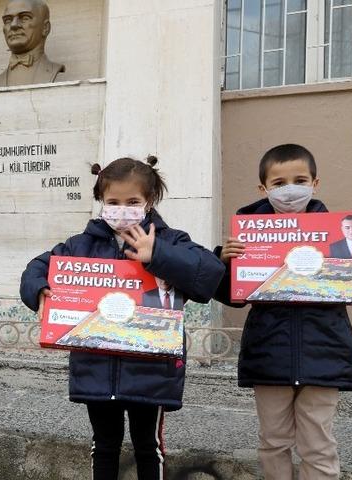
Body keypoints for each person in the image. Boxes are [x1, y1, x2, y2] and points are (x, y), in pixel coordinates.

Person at [20, 156, 225, 480]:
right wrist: (40, 289)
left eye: (132, 202)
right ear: (101, 201)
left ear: (149, 201)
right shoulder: (79, 245)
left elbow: (208, 275)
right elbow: (37, 267)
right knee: (104, 445)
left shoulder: (172, 241)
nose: (122, 209)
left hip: (151, 370)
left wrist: (157, 254)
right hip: (96, 367)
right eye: (113, 202)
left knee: (148, 446)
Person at [214, 144, 352, 479]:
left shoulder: (342, 234)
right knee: (273, 442)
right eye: (279, 183)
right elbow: (232, 296)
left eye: (300, 179)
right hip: (269, 355)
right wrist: (223, 261)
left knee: (319, 445)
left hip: (324, 355)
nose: (290, 189)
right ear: (263, 188)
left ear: (315, 183)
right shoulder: (249, 236)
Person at [0, 0, 65, 87]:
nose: (13, 25)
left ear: (45, 28)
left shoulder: (53, 70)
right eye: (8, 20)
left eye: (25, 18)